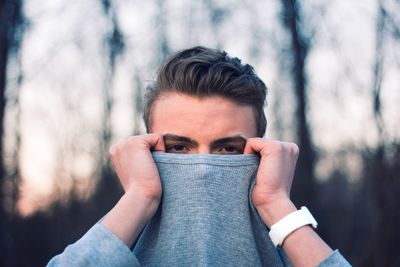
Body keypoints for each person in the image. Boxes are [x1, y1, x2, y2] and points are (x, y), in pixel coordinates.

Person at [48, 46, 350, 266]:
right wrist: (140, 197)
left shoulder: (293, 248)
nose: (203, 170)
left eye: (228, 149)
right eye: (179, 147)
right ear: (145, 148)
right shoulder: (120, 243)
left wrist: (277, 205)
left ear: (260, 150)